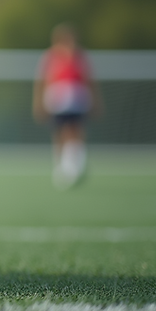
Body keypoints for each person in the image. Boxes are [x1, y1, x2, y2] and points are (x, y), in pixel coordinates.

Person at [33, 24, 101, 189]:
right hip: (57, 100)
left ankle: (75, 165)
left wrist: (96, 101)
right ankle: (61, 168)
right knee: (59, 133)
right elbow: (41, 82)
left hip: (77, 100)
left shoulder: (80, 57)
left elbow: (89, 81)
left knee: (75, 131)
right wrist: (38, 103)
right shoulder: (50, 57)